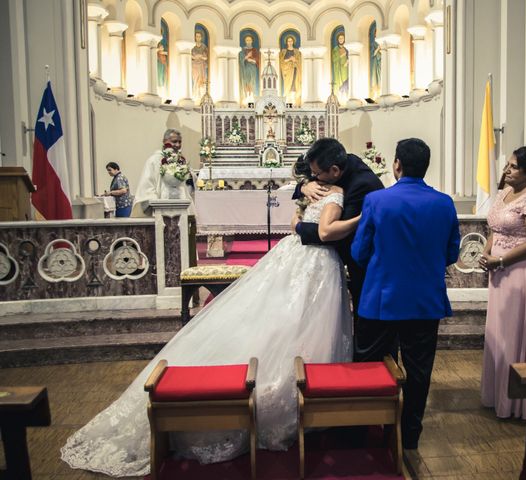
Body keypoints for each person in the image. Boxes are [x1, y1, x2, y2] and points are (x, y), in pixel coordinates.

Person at [60, 153, 359, 477]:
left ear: (329, 170)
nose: (314, 175)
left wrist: (302, 209)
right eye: (311, 172)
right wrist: (357, 217)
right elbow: (325, 231)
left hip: (294, 254)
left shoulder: (314, 189)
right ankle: (298, 393)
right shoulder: (328, 191)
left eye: (316, 171)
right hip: (313, 261)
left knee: (281, 318)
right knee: (297, 321)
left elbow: (296, 222)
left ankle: (289, 386)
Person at [351, 138, 460, 449]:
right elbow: (452, 252)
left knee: (371, 365)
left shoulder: (377, 200)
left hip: (381, 299)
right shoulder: (444, 202)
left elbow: (360, 251)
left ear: (396, 165)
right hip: (425, 301)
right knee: (419, 369)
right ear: (426, 166)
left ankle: (368, 431)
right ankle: (408, 435)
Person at [479, 146, 526, 420]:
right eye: (508, 165)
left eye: (512, 166)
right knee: (498, 332)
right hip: (499, 273)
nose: (506, 170)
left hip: (520, 273)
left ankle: (517, 402)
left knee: (514, 333)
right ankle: (498, 394)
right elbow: (495, 228)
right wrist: (487, 251)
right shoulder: (505, 191)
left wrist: (502, 260)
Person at [293, 138, 384, 331]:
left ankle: (367, 359)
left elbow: (335, 232)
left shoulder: (362, 184)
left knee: (364, 315)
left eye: (317, 174)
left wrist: (298, 228)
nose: (314, 177)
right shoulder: (341, 163)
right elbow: (307, 177)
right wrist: (303, 186)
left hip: (365, 261)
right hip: (342, 254)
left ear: (334, 171)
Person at [131, 129, 194, 217]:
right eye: (174, 141)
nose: (178, 145)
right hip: (160, 208)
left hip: (181, 206)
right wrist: (154, 201)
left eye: (180, 142)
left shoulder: (181, 161)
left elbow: (186, 184)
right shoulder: (154, 160)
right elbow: (147, 185)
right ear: (164, 141)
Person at [279, 35, 302, 106]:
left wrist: (295, 60)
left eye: (291, 41)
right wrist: (289, 59)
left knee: (295, 83)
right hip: (287, 71)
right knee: (288, 84)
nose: (290, 42)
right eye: (288, 41)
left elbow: (299, 61)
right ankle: (287, 99)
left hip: (295, 69)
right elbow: (282, 61)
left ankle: (295, 100)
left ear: (293, 42)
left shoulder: (297, 51)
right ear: (286, 42)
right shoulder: (283, 51)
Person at [239, 34, 260, 104]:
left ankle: (251, 96)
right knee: (246, 81)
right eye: (247, 40)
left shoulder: (254, 50)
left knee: (252, 81)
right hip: (245, 69)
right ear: (245, 41)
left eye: (250, 40)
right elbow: (241, 60)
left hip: (252, 69)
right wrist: (247, 56)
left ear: (252, 41)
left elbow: (257, 60)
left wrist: (252, 60)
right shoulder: (243, 51)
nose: (248, 41)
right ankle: (246, 96)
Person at [191, 30, 208, 100]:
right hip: (194, 65)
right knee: (195, 79)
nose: (198, 38)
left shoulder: (204, 47)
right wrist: (196, 56)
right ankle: (195, 95)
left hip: (202, 65)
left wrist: (201, 56)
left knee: (202, 80)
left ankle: (202, 95)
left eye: (199, 36)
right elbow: (190, 55)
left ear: (201, 37)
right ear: (195, 37)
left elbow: (206, 57)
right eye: (197, 36)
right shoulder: (192, 46)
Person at [331, 32, 349, 98]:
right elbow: (334, 59)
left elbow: (349, 56)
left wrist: (347, 61)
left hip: (346, 69)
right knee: (339, 83)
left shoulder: (347, 48)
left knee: (346, 82)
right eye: (339, 38)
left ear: (344, 39)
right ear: (337, 40)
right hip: (338, 69)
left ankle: (346, 96)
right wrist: (341, 55)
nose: (341, 39)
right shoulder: (335, 49)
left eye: (342, 38)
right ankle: (338, 97)